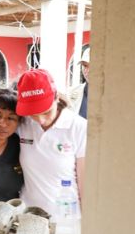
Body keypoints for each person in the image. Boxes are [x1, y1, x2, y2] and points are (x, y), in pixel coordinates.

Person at [15, 68, 87, 216]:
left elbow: (85, 184)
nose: (40, 120)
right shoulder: (23, 124)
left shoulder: (79, 128)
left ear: (56, 98)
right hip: (28, 216)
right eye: (33, 114)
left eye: (46, 112)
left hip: (66, 220)